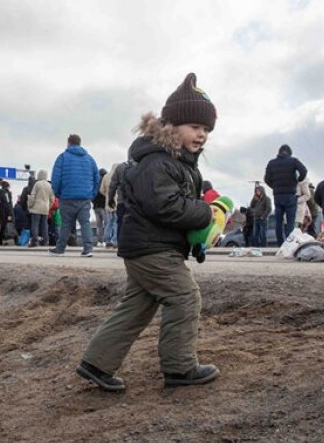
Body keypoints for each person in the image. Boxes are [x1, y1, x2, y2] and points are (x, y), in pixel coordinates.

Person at [77, 73, 220, 392]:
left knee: (137, 305)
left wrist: (194, 240)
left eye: (207, 129)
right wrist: (204, 212)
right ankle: (180, 368)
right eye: (195, 127)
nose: (202, 135)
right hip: (152, 249)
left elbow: (173, 206)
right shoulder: (158, 161)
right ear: (172, 126)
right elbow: (165, 206)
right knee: (184, 297)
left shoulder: (179, 163)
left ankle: (97, 363)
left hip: (149, 247)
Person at [49, 134, 100, 257]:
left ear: (68, 142)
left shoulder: (62, 158)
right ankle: (88, 249)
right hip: (84, 198)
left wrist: (58, 193)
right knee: (85, 223)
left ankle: (60, 249)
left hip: (67, 197)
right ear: (79, 143)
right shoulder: (90, 159)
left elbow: (55, 179)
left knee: (66, 223)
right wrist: (91, 194)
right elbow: (96, 178)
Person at [264, 144, 307, 245]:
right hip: (290, 194)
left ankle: (280, 243)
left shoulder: (271, 163)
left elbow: (266, 179)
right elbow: (304, 171)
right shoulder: (293, 161)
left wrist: (274, 186)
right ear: (289, 152)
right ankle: (289, 244)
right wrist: (298, 180)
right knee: (290, 221)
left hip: (278, 195)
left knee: (278, 221)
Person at [27, 169, 54, 247]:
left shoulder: (37, 184)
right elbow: (52, 199)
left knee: (35, 224)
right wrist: (48, 207)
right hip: (45, 208)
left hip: (36, 207)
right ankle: (46, 240)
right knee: (44, 225)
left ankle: (34, 241)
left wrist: (30, 205)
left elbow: (32, 196)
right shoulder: (49, 185)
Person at [101, 163, 119, 249]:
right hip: (118, 203)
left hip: (108, 203)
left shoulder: (106, 176)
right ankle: (115, 241)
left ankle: (107, 241)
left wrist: (107, 195)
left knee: (108, 223)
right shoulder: (120, 176)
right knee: (116, 223)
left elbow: (101, 190)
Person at [92, 168, 109, 246]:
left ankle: (99, 241)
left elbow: (92, 196)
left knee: (99, 225)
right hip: (103, 206)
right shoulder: (105, 182)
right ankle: (106, 240)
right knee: (107, 224)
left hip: (96, 207)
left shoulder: (95, 183)